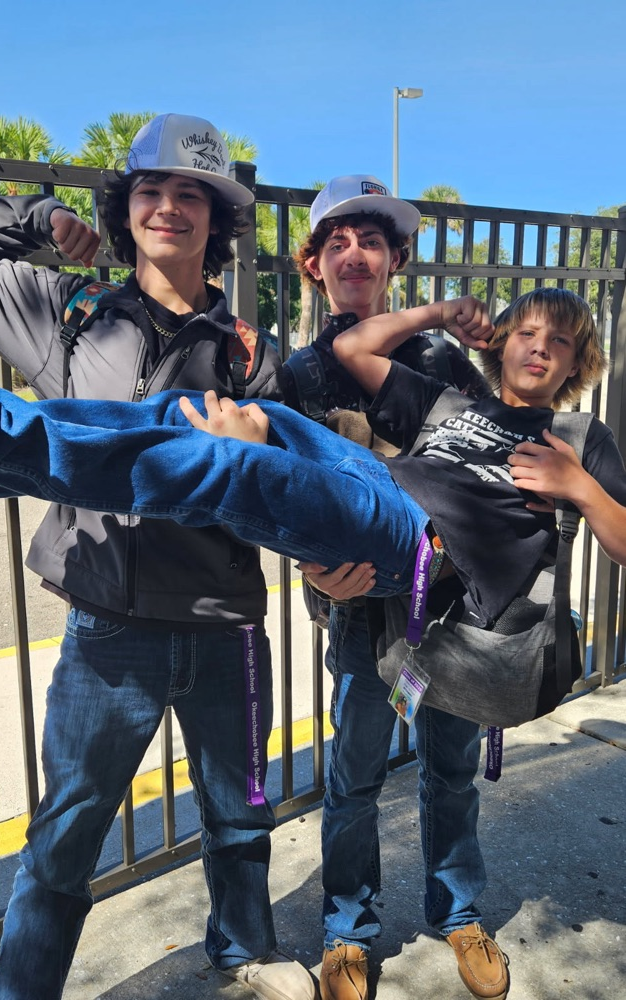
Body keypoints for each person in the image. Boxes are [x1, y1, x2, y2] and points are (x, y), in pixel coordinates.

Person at [0, 286, 623, 1000]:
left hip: (434, 576)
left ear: (579, 360)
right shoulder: (452, 400)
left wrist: (580, 488)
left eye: (560, 340)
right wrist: (438, 314)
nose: (540, 347)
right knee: (209, 417)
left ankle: (459, 915)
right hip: (380, 544)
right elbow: (353, 349)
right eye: (526, 331)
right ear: (501, 342)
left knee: (235, 471)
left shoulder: (582, 439)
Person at [0, 112, 318, 1000]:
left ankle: (244, 951)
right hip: (105, 633)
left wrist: (304, 525)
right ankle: (21, 989)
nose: (170, 208)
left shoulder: (252, 355)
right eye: (153, 191)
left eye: (191, 195)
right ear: (127, 209)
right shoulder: (69, 316)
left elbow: (282, 492)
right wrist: (41, 219)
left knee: (241, 815)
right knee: (66, 834)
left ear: (217, 219)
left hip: (226, 629)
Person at [290, 178, 503, 1000]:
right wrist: (309, 564)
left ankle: (458, 912)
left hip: (450, 613)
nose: (354, 254)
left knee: (449, 771)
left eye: (371, 242)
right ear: (314, 265)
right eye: (337, 241)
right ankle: (348, 930)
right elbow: (274, 487)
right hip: (356, 617)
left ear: (393, 263)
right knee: (355, 777)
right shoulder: (300, 373)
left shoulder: (442, 361)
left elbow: (486, 472)